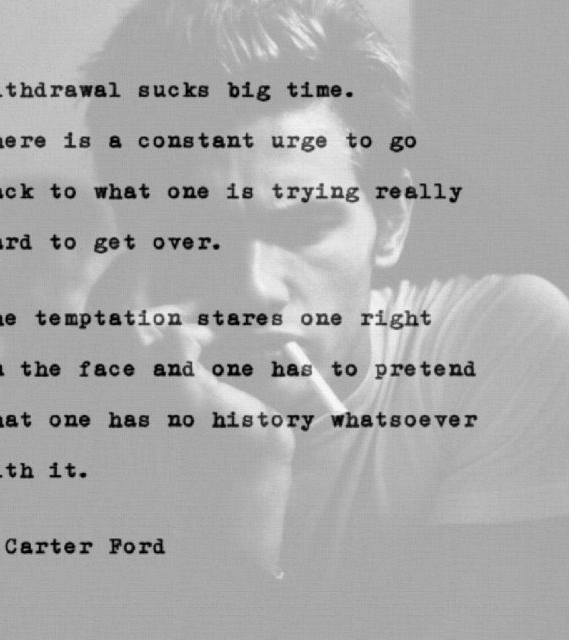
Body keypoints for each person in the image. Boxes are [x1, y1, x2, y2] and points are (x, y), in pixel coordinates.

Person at [80, 1, 569, 638]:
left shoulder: (505, 341)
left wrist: (247, 496)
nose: (255, 288)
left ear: (391, 220)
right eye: (200, 235)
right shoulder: (82, 410)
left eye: (305, 225)